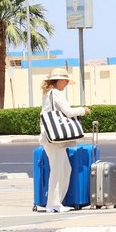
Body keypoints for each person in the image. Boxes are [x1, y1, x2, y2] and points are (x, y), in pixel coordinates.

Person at [39, 68, 91, 213]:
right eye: (66, 81)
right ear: (60, 80)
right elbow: (68, 111)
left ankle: (56, 203)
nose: (67, 83)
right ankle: (53, 204)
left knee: (64, 169)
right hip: (53, 139)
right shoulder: (55, 93)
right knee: (57, 170)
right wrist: (83, 110)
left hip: (52, 138)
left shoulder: (49, 93)